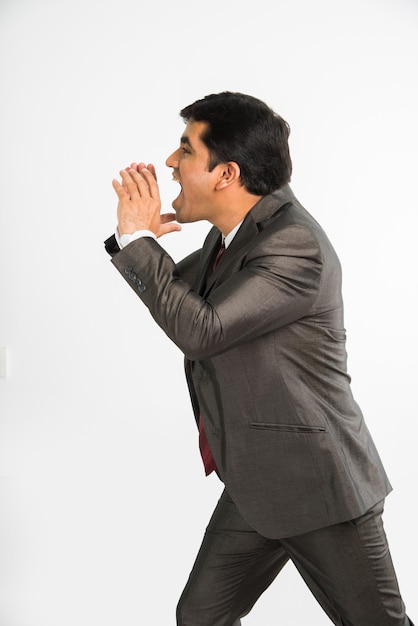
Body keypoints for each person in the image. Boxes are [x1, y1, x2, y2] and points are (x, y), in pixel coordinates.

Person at [105, 92, 413, 626]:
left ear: (226, 173)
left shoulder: (293, 243)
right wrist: (139, 240)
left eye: (185, 150)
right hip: (256, 481)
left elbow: (200, 329)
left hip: (320, 488)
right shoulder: (234, 239)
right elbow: (175, 296)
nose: (171, 164)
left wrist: (138, 239)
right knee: (200, 616)